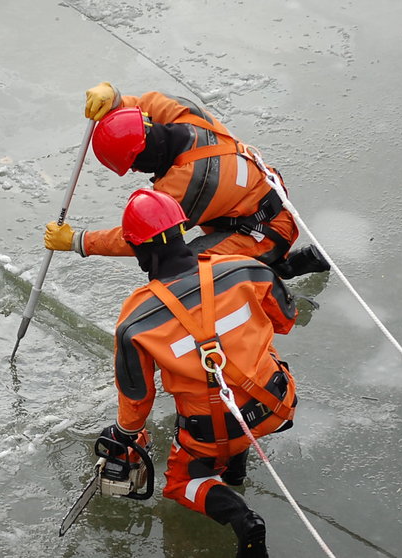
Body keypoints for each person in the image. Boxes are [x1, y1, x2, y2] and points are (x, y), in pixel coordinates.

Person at [98, 188, 300, 558]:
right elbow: (286, 320)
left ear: (140, 252)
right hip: (278, 403)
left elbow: (137, 399)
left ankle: (242, 519)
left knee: (181, 483)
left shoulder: (136, 321)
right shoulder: (246, 268)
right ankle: (235, 469)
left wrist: (125, 435)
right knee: (253, 354)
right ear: (181, 231)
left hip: (212, 433)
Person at [44, 81, 329, 280]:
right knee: (199, 248)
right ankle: (280, 265)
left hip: (263, 232)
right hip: (255, 203)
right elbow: (144, 105)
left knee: (182, 274)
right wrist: (116, 100)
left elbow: (142, 239)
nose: (133, 172)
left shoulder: (187, 185)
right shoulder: (184, 115)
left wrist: (78, 241)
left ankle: (271, 284)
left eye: (133, 165)